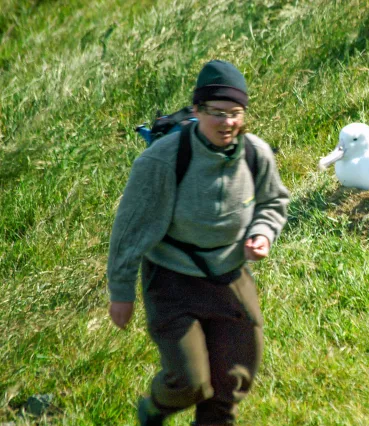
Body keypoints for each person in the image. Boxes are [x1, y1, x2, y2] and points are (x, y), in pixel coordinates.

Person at [107, 60, 290, 426]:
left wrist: (262, 233)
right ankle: (154, 409)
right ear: (197, 111)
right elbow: (129, 231)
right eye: (217, 113)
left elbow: (273, 201)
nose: (227, 123)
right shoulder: (162, 161)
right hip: (172, 279)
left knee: (233, 380)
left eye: (235, 113)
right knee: (190, 382)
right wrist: (121, 292)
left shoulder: (255, 153)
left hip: (229, 275)